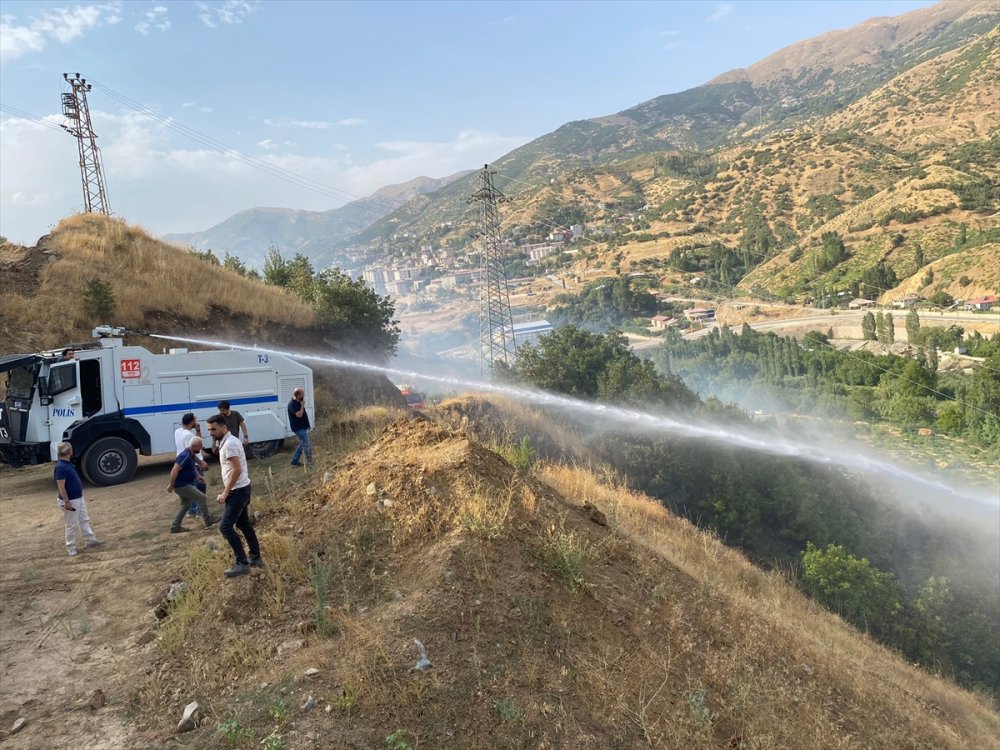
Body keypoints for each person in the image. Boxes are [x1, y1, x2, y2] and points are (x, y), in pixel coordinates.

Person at [206, 413, 262, 578]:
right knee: (244, 524)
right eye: (209, 430)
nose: (211, 433)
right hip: (242, 488)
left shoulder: (229, 444)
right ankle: (255, 557)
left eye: (214, 429)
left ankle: (242, 562)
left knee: (225, 527)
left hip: (237, 491)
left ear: (224, 427)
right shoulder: (229, 441)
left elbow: (236, 470)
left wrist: (225, 492)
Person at [54, 442, 103, 556]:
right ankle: (70, 546)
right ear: (69, 452)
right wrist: (67, 501)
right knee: (71, 524)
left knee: (84, 519)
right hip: (71, 500)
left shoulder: (66, 464)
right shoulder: (61, 467)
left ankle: (90, 540)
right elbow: (61, 486)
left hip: (77, 498)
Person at [166, 436, 216, 532]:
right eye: (200, 447)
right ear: (195, 446)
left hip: (183, 484)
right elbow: (175, 469)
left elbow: (191, 467)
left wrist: (197, 476)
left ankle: (175, 526)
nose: (201, 449)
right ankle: (208, 520)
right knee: (201, 497)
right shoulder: (185, 455)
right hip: (182, 485)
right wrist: (171, 485)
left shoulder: (191, 454)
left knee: (185, 504)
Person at [174, 413, 206, 517]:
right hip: (192, 463)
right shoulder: (189, 435)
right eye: (195, 420)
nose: (196, 422)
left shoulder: (178, 431)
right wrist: (198, 431)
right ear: (191, 422)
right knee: (197, 487)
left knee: (191, 486)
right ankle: (199, 510)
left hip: (182, 461)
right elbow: (197, 446)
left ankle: (192, 510)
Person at [287, 387, 312, 466]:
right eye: (302, 394)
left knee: (302, 443)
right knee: (307, 443)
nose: (303, 396)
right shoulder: (292, 404)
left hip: (302, 427)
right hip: (298, 428)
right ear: (298, 395)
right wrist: (302, 406)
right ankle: (310, 462)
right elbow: (299, 415)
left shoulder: (298, 402)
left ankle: (294, 461)